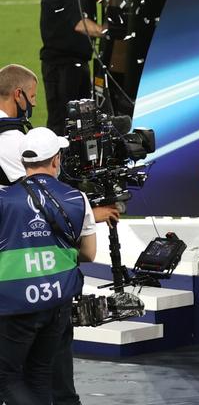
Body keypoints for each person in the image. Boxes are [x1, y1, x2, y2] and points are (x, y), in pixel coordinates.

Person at [0, 128, 102, 404]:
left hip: (16, 304)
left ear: (23, 162)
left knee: (6, 378)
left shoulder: (3, 199)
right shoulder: (78, 198)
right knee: (40, 373)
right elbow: (89, 254)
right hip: (58, 301)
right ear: (56, 160)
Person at [39, 0, 114, 136]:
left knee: (83, 120)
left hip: (77, 63)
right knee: (62, 122)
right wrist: (106, 30)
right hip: (61, 67)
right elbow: (79, 23)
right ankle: (54, 163)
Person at [0, 65, 38, 185]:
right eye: (32, 96)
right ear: (18, 94)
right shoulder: (13, 139)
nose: (34, 103)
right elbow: (36, 190)